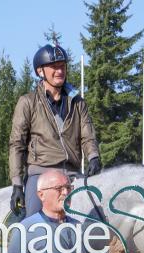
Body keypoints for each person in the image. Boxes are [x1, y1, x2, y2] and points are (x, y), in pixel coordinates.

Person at [8, 43, 101, 218]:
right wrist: (17, 184)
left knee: (96, 221)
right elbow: (16, 144)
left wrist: (93, 157)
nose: (60, 71)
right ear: (40, 71)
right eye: (54, 67)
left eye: (62, 66)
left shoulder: (78, 102)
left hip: (73, 174)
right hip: (41, 175)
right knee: (34, 223)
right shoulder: (27, 102)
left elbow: (87, 136)